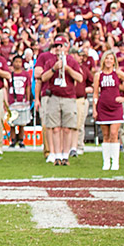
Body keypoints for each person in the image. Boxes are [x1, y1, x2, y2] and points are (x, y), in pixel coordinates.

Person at [36, 34, 82, 165]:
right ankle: (56, 154)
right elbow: (43, 78)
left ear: (66, 47)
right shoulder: (51, 61)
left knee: (67, 128)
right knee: (55, 128)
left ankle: (65, 155)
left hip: (68, 96)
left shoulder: (72, 60)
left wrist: (67, 68)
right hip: (54, 96)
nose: (58, 48)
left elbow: (79, 78)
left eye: (60, 46)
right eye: (56, 46)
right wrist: (54, 68)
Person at [92, 51, 124, 171]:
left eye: (111, 59)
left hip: (115, 108)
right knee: (105, 135)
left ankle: (115, 163)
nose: (108, 61)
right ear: (103, 60)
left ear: (114, 61)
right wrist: (95, 109)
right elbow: (96, 93)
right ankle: (106, 162)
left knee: (114, 134)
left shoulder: (118, 73)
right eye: (107, 58)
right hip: (103, 107)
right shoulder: (98, 75)